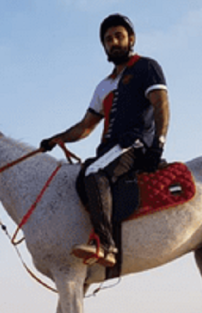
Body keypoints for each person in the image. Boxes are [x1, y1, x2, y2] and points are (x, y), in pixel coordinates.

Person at [40, 13, 170, 267]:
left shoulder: (146, 67)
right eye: (108, 39)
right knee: (86, 172)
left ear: (131, 39)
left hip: (135, 144)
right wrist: (57, 139)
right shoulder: (103, 85)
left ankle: (107, 245)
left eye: (119, 36)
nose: (114, 42)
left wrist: (159, 144)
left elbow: (161, 105)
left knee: (95, 173)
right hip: (110, 151)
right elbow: (85, 126)